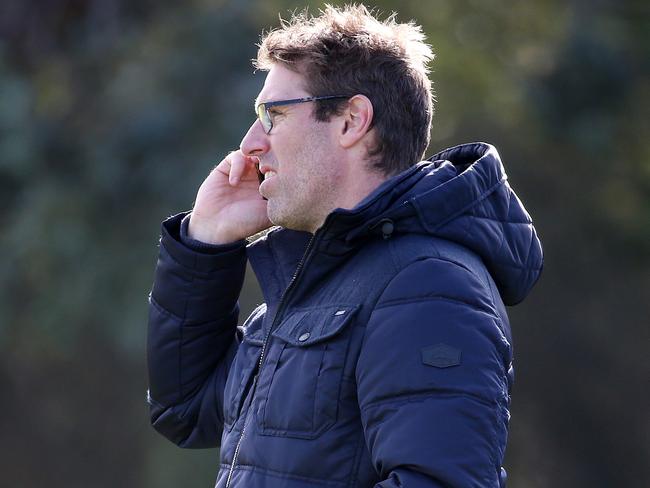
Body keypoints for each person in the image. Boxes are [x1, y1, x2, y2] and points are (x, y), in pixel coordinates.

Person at [146, 5, 543, 487]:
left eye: (273, 115)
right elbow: (184, 410)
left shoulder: (430, 286)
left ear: (352, 120)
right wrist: (206, 243)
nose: (250, 144)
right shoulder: (316, 284)